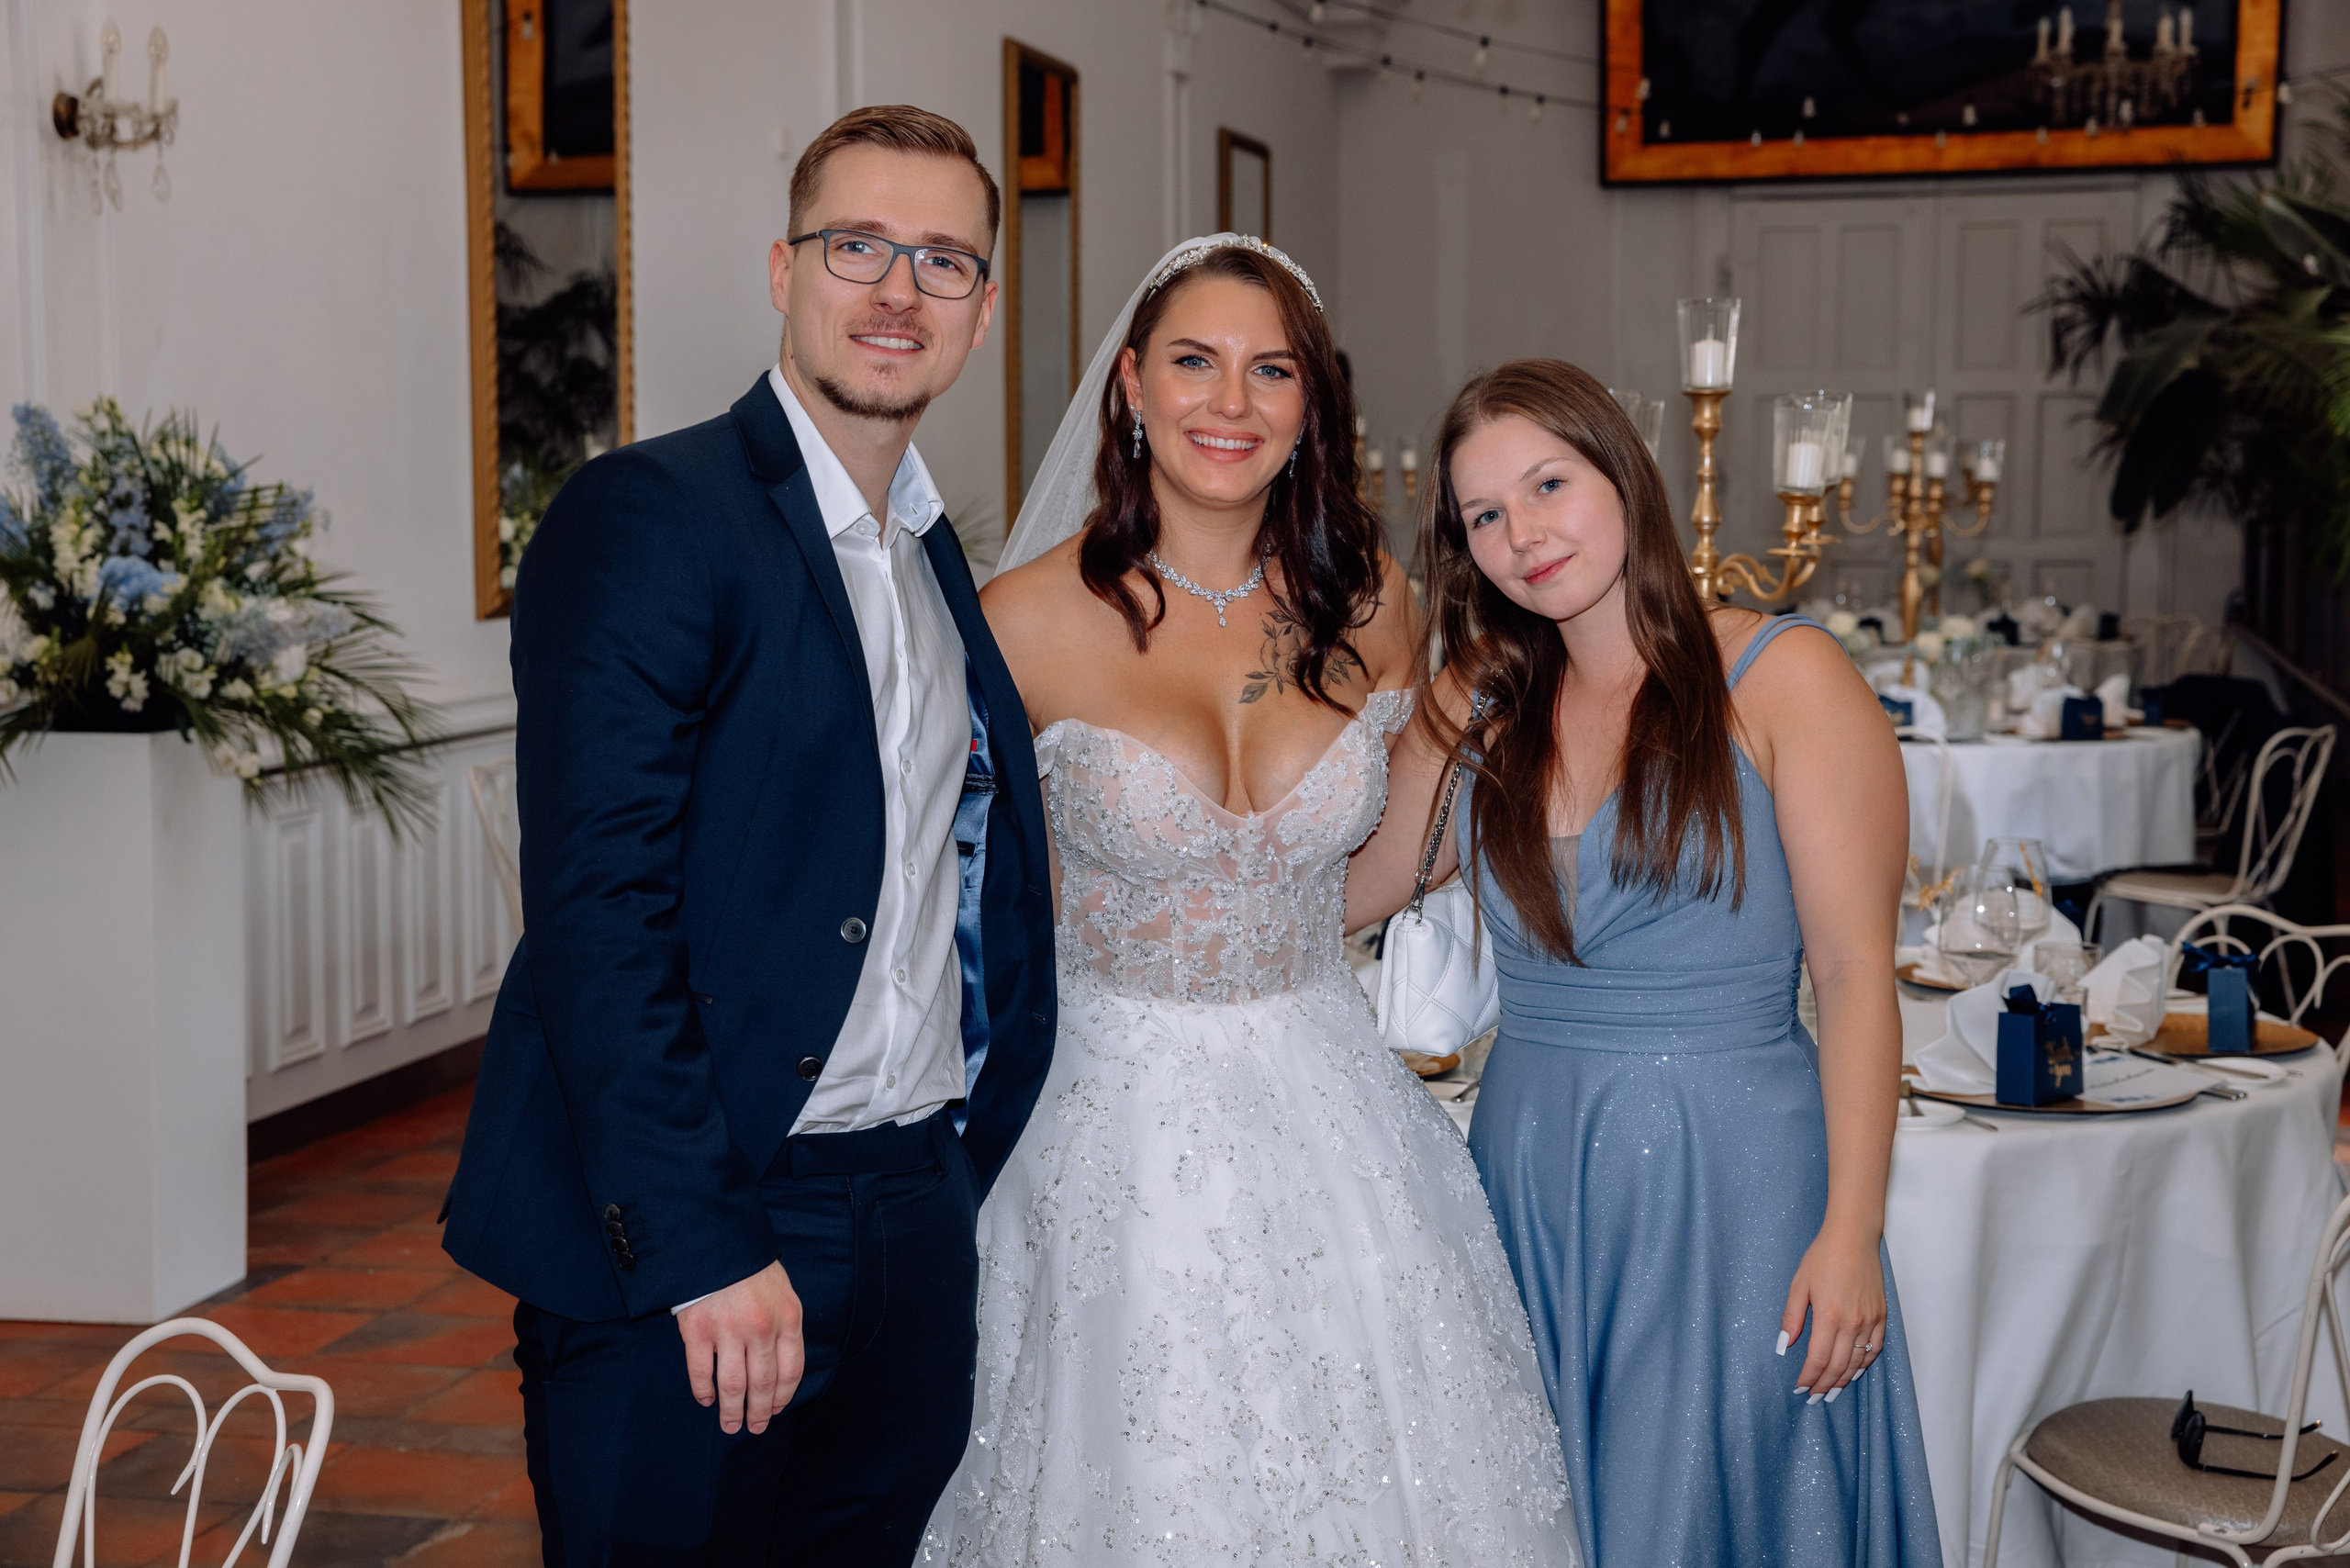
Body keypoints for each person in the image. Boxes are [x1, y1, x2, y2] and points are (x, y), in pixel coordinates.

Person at [439, 106, 1057, 1566]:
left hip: (908, 1206)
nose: (898, 291)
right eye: (860, 246)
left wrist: (958, 1166)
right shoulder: (650, 515)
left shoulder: (930, 555)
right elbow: (600, 917)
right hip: (707, 1217)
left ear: (982, 311)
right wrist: (708, 1249)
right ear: (784, 268)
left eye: (944, 260)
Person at [923, 237, 1581, 1565]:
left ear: (1310, 408)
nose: (1230, 402)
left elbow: (1362, 885)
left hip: (1327, 1100)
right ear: (1129, 389)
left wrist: (1452, 730)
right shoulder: (1019, 624)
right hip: (1101, 1124)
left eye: (1270, 370)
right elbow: (963, 916)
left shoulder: (1373, 605)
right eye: (1195, 363)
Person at [1355, 359, 1942, 1566]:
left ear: (1625, 475)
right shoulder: (1481, 699)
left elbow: (1852, 979)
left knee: (1722, 1504)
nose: (1524, 533)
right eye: (1485, 516)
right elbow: (1355, 888)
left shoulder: (1785, 677)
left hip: (1739, 1190)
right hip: (1530, 1175)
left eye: (1549, 484)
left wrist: (1850, 1232)